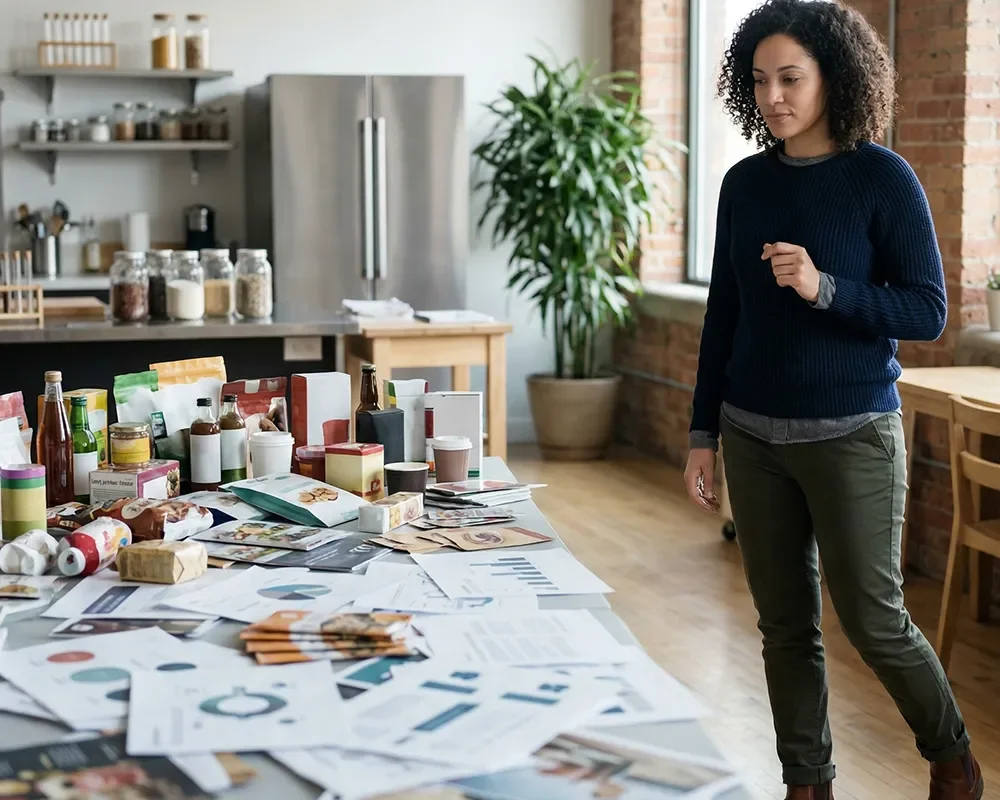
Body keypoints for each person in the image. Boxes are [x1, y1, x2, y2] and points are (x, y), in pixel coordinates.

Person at [682, 2, 982, 799]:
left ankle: (952, 755)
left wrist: (826, 288)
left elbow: (926, 311)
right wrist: (702, 431)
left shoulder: (881, 177)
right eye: (760, 80)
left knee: (874, 620)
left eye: (791, 77)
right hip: (752, 434)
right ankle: (805, 784)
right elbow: (724, 313)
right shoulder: (744, 183)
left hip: (853, 434)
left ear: (833, 77)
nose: (774, 96)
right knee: (785, 629)